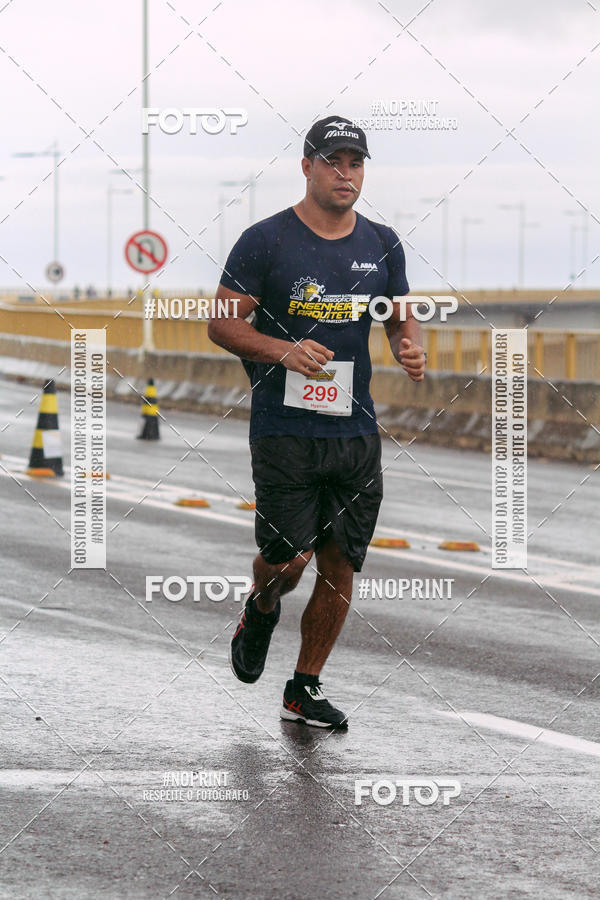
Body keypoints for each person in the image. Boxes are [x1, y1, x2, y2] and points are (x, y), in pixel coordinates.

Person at [209, 115, 425, 729]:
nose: (345, 174)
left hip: (355, 432)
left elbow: (399, 315)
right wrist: (283, 350)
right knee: (289, 561)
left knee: (339, 563)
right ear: (307, 167)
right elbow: (222, 323)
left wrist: (408, 345)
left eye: (355, 163)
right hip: (285, 429)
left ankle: (303, 687)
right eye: (333, 162)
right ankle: (261, 605)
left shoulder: (382, 242)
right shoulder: (266, 240)